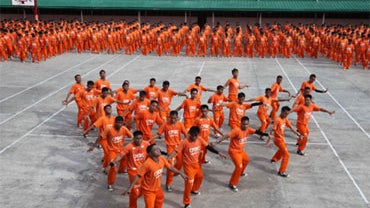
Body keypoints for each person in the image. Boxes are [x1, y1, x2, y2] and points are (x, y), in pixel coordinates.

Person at [168, 126, 226, 208]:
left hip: (196, 164)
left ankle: (194, 190)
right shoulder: (184, 142)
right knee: (189, 184)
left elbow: (208, 147)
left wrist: (218, 152)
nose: (194, 137)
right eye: (192, 136)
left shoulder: (200, 139)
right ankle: (186, 203)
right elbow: (176, 151)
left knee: (200, 177)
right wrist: (168, 158)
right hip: (188, 166)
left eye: (196, 136)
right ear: (189, 134)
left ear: (198, 135)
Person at [212, 116, 270, 192]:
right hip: (234, 151)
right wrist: (216, 142)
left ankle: (240, 173)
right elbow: (226, 136)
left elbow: (257, 132)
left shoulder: (248, 129)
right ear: (240, 123)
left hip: (241, 151)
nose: (245, 126)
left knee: (246, 160)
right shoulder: (236, 130)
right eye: (243, 124)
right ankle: (232, 184)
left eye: (247, 124)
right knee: (239, 166)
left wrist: (267, 135)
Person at [123, 144, 187, 208]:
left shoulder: (161, 158)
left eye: (158, 148)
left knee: (160, 199)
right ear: (150, 153)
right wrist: (130, 188)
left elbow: (170, 167)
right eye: (155, 150)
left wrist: (180, 173)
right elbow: (138, 176)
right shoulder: (147, 164)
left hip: (158, 188)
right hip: (149, 191)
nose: (158, 150)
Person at [110, 131, 150, 208]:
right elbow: (120, 156)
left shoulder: (146, 144)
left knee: (143, 187)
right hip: (133, 171)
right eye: (137, 139)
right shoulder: (129, 147)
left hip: (144, 169)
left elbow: (151, 153)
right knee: (134, 190)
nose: (139, 140)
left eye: (140, 138)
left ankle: (138, 194)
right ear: (133, 138)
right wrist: (112, 163)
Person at [265, 106, 302, 177]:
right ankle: (281, 171)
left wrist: (298, 134)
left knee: (282, 149)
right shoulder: (277, 120)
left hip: (281, 139)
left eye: (287, 114)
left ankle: (274, 159)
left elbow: (291, 127)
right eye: (285, 113)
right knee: (286, 155)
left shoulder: (285, 119)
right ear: (281, 112)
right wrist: (269, 140)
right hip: (277, 139)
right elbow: (273, 130)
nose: (286, 115)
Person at [156, 110, 187, 192]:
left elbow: (186, 134)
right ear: (169, 117)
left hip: (179, 147)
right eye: (171, 118)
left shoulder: (180, 124)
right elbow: (158, 133)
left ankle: (175, 172)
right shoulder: (165, 124)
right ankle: (168, 184)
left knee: (180, 162)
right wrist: (150, 140)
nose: (173, 120)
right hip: (170, 147)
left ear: (177, 118)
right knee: (170, 166)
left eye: (175, 118)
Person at [102, 116, 133, 191]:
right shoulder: (109, 129)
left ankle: (121, 170)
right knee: (113, 166)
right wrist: (94, 145)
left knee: (126, 159)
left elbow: (131, 136)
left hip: (120, 149)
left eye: (121, 123)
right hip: (112, 150)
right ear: (115, 123)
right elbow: (101, 137)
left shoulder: (124, 129)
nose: (119, 124)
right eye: (118, 123)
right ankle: (110, 183)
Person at [86, 105, 116, 169]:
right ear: (104, 110)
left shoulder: (114, 118)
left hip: (111, 139)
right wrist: (86, 131)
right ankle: (105, 167)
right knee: (108, 154)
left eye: (110, 108)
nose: (109, 109)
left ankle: (104, 160)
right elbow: (94, 125)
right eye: (107, 108)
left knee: (109, 153)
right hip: (103, 139)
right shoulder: (102, 119)